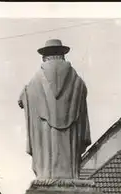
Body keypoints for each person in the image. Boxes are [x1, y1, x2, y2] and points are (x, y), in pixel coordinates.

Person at [18, 39, 91, 180]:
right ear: (62, 54)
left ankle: (46, 175)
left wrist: (24, 98)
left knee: (47, 157)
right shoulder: (75, 78)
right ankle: (69, 176)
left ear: (46, 56)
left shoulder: (38, 77)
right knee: (68, 154)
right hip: (70, 135)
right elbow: (83, 91)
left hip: (46, 132)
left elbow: (25, 96)